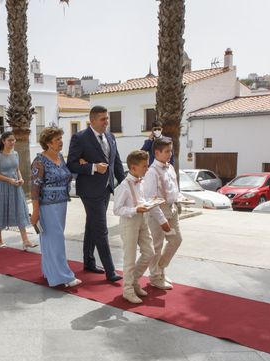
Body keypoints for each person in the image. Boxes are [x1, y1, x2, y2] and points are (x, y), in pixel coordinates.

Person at [67, 105, 125, 282]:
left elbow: (116, 162)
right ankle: (110, 271)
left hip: (106, 188)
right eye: (102, 119)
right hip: (90, 191)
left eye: (107, 118)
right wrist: (93, 167)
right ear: (92, 121)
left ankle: (89, 262)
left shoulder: (110, 136)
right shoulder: (80, 138)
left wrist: (126, 184)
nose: (106, 122)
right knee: (101, 229)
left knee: (92, 225)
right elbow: (72, 164)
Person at [31, 127, 81, 288]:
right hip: (47, 206)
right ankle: (63, 277)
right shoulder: (39, 161)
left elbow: (66, 176)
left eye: (61, 138)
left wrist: (80, 167)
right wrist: (36, 211)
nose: (61, 142)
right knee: (56, 240)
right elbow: (34, 188)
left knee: (50, 240)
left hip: (62, 204)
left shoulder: (60, 157)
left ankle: (50, 272)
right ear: (48, 143)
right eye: (57, 139)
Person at [113, 150, 155, 304]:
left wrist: (149, 203)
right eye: (144, 166)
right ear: (133, 167)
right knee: (129, 257)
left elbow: (141, 199)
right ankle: (128, 289)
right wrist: (134, 210)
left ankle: (134, 281)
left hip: (142, 219)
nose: (147, 168)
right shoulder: (124, 186)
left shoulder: (141, 181)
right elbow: (117, 209)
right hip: (129, 222)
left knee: (149, 252)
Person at [143, 137, 183, 290]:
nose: (170, 154)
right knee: (157, 246)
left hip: (172, 209)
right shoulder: (152, 172)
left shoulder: (170, 167)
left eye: (171, 151)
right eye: (167, 151)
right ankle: (155, 277)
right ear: (157, 152)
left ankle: (160, 268)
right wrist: (161, 220)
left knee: (176, 240)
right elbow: (150, 200)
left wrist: (180, 199)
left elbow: (174, 189)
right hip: (158, 212)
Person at [0, 131, 37, 250]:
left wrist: (20, 179)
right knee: (1, 210)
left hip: (15, 187)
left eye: (13, 140)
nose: (12, 142)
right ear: (3, 141)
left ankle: (25, 240)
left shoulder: (15, 154)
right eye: (9, 140)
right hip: (1, 187)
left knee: (20, 210)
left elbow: (17, 169)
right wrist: (8, 179)